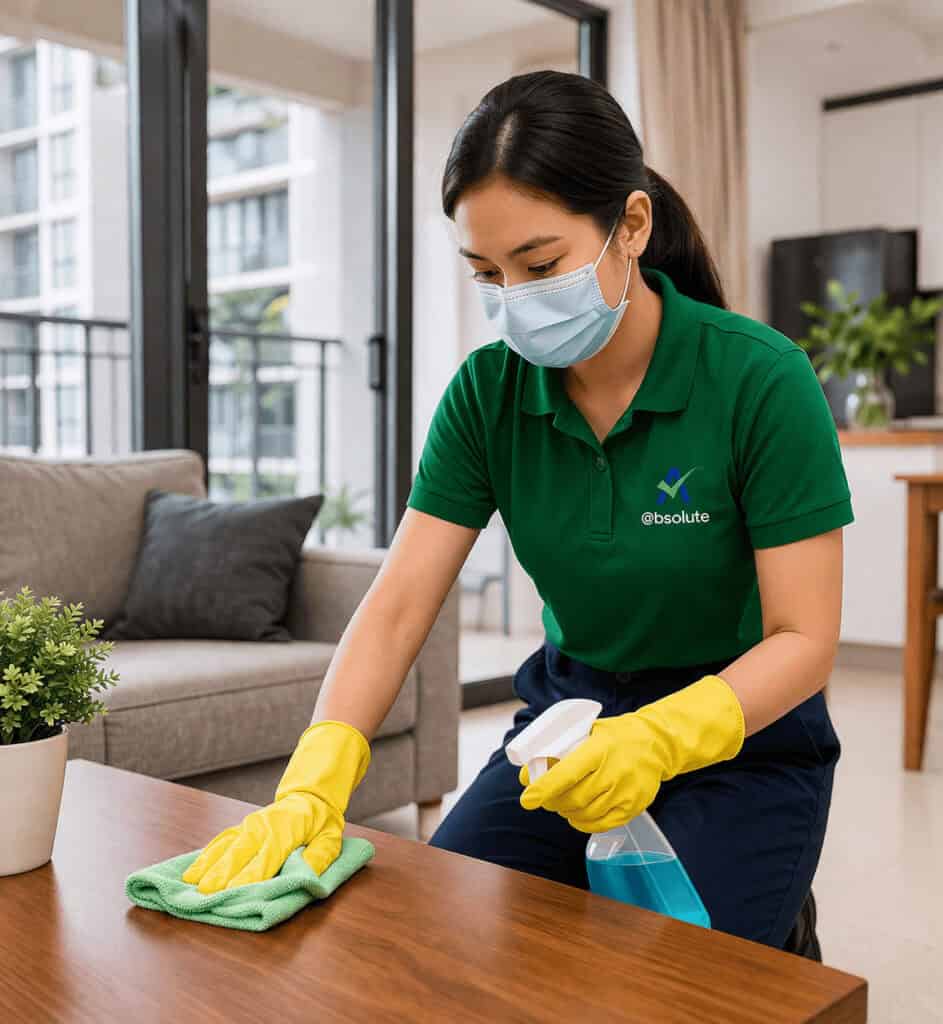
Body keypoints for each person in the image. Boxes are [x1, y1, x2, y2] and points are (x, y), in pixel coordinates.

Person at [182, 70, 852, 959]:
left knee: (682, 977)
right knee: (446, 949)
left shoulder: (761, 380)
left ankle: (778, 922)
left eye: (539, 266)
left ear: (633, 227)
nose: (512, 298)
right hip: (565, 723)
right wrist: (316, 776)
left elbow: (804, 637)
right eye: (486, 272)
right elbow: (396, 608)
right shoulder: (487, 395)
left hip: (742, 736)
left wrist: (659, 739)